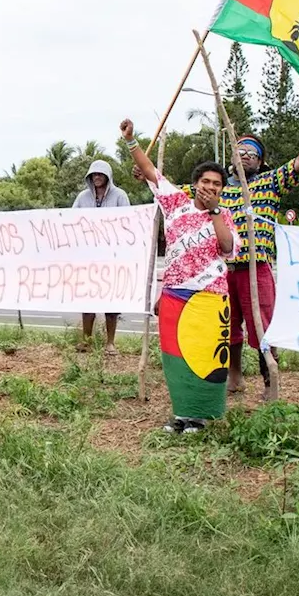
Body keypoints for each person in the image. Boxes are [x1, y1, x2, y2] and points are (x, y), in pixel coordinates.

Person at [122, 119, 239, 433]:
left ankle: (202, 416)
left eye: (217, 184)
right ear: (195, 183)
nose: (211, 188)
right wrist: (132, 141)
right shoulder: (176, 203)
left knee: (204, 356)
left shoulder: (225, 215)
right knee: (176, 357)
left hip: (210, 299)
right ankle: (182, 414)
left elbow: (227, 247)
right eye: (206, 182)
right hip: (175, 295)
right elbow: (150, 172)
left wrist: (215, 213)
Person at [219, 130, 299, 395]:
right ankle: (235, 376)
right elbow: (175, 191)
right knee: (228, 326)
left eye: (251, 154)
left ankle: (270, 380)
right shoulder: (218, 185)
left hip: (256, 267)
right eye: (240, 152)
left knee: (264, 327)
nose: (244, 157)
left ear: (260, 161)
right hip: (224, 270)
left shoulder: (270, 182)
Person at [70, 159, 131, 355]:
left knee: (111, 302)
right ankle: (86, 341)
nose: (97, 177)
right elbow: (71, 221)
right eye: (93, 174)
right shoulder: (82, 197)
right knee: (88, 300)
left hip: (112, 258)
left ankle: (110, 343)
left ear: (107, 176)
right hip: (88, 257)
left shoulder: (120, 196)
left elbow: (128, 222)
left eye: (100, 174)